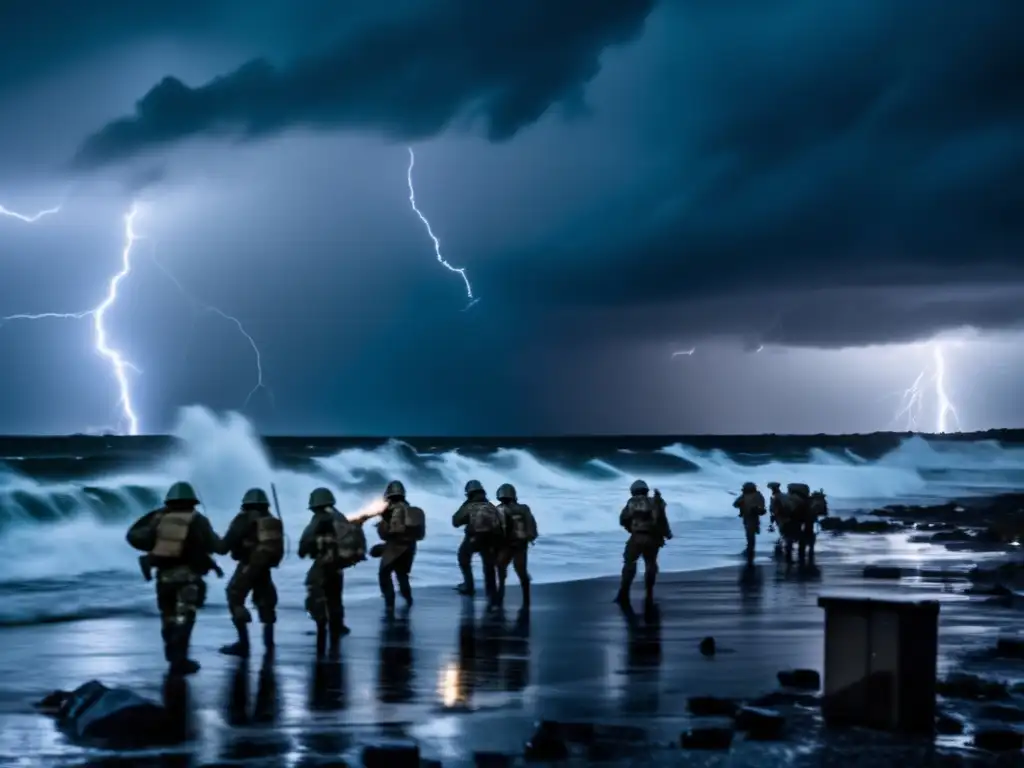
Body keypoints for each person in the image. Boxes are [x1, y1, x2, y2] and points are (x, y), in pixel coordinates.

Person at [125, 481, 224, 675]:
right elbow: (215, 546)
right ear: (192, 501)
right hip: (189, 578)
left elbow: (133, 536)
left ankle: (171, 656)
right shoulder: (198, 519)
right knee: (185, 618)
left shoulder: (158, 517)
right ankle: (180, 661)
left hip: (164, 578)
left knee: (168, 617)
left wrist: (154, 548)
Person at [298, 487, 366, 657]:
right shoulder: (340, 516)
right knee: (335, 598)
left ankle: (321, 629)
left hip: (323, 564)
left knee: (315, 594)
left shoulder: (320, 518)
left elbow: (305, 543)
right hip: (338, 566)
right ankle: (338, 628)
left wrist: (303, 550)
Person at [217, 488, 284, 658]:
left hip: (247, 565)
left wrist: (216, 542)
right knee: (266, 603)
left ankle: (243, 643)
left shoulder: (243, 519)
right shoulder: (271, 520)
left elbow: (224, 547)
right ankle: (269, 643)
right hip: (264, 569)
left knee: (234, 596)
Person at [614, 479, 673, 609]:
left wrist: (631, 528)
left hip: (637, 537)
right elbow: (662, 520)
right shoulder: (656, 502)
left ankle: (624, 593)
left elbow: (623, 519)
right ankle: (649, 593)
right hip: (653, 538)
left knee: (630, 563)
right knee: (651, 563)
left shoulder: (631, 502)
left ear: (633, 491)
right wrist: (667, 533)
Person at [376, 480, 426, 609]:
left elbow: (385, 533)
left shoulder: (390, 511)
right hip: (410, 547)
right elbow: (419, 534)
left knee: (384, 574)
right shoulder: (410, 510)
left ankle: (389, 603)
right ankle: (408, 599)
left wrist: (382, 523)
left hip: (394, 547)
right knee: (402, 574)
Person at [452, 479, 503, 599]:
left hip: (474, 538)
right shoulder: (491, 506)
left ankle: (469, 586)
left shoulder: (469, 505)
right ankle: (491, 591)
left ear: (469, 493)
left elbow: (456, 521)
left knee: (463, 558)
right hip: (492, 539)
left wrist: (464, 506)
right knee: (489, 566)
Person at [493, 483, 538, 609]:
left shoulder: (520, 509)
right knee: (505, 567)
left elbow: (530, 525)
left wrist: (528, 537)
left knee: (515, 570)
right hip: (511, 545)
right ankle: (506, 594)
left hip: (516, 545)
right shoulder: (501, 509)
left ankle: (517, 597)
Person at [733, 481, 766, 565]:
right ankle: (749, 549)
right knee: (749, 534)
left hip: (753, 518)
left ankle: (750, 550)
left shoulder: (757, 495)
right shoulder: (746, 495)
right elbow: (735, 504)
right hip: (747, 517)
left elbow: (761, 507)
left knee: (750, 534)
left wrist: (756, 509)